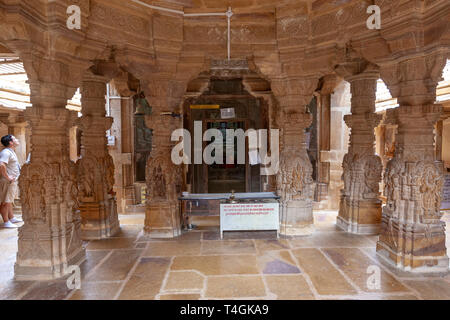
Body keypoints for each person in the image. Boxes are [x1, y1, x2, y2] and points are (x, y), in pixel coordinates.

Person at [0, 135, 22, 228]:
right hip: (7, 181)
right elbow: (1, 165)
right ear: (10, 142)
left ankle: (11, 217)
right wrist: (8, 177)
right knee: (5, 201)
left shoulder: (10, 151)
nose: (17, 140)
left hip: (11, 181)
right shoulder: (5, 152)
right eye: (15, 139)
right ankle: (6, 221)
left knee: (9, 200)